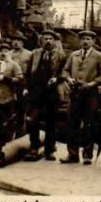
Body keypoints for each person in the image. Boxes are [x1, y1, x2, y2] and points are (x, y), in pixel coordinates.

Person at [60, 30, 101, 164]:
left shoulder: (99, 56)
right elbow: (65, 70)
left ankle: (87, 155)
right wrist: (69, 79)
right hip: (74, 94)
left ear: (93, 41)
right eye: (83, 39)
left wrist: (93, 83)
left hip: (90, 94)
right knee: (72, 123)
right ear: (79, 41)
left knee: (89, 124)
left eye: (88, 39)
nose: (85, 42)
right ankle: (72, 154)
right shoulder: (73, 55)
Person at [25, 30, 66, 160]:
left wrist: (57, 79)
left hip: (51, 92)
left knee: (51, 123)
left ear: (54, 41)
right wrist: (26, 87)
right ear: (41, 40)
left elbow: (65, 73)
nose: (47, 41)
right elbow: (28, 72)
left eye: (50, 39)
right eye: (45, 38)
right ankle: (34, 148)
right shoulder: (35, 54)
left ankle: (49, 150)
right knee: (33, 121)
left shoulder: (61, 55)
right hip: (36, 92)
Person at [0, 43, 24, 150]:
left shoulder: (13, 65)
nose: (3, 53)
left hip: (9, 99)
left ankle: (9, 147)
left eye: (6, 51)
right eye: (0, 51)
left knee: (8, 123)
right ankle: (0, 147)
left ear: (9, 53)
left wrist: (6, 79)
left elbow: (20, 79)